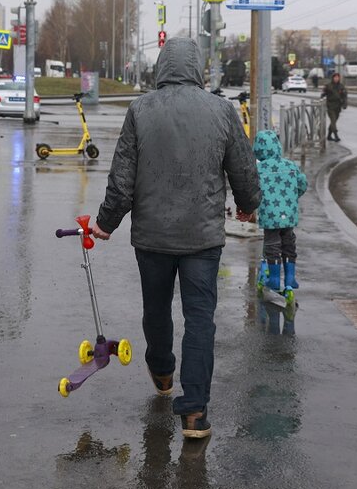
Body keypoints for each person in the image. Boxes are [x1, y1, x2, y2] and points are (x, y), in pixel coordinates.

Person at [92, 38, 259, 441]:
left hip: (152, 237)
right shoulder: (221, 110)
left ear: (162, 67)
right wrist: (248, 204)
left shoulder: (140, 109)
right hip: (202, 238)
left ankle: (163, 370)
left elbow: (122, 177)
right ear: (198, 68)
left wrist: (106, 223)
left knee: (156, 308)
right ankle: (194, 413)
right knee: (200, 320)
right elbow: (243, 166)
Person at [252, 129, 309, 296]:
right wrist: (292, 197)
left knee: (272, 244)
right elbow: (302, 184)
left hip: (270, 214)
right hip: (289, 213)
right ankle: (290, 278)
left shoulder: (259, 169)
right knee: (288, 242)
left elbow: (252, 190)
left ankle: (275, 279)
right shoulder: (290, 165)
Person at [321, 72, 348, 142]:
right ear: (332, 78)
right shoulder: (328, 86)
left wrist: (345, 104)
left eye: (337, 77)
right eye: (335, 77)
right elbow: (323, 94)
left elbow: (344, 96)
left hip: (338, 106)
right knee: (333, 120)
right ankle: (336, 135)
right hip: (330, 106)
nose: (336, 78)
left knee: (334, 121)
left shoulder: (341, 86)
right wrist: (323, 94)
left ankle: (329, 136)